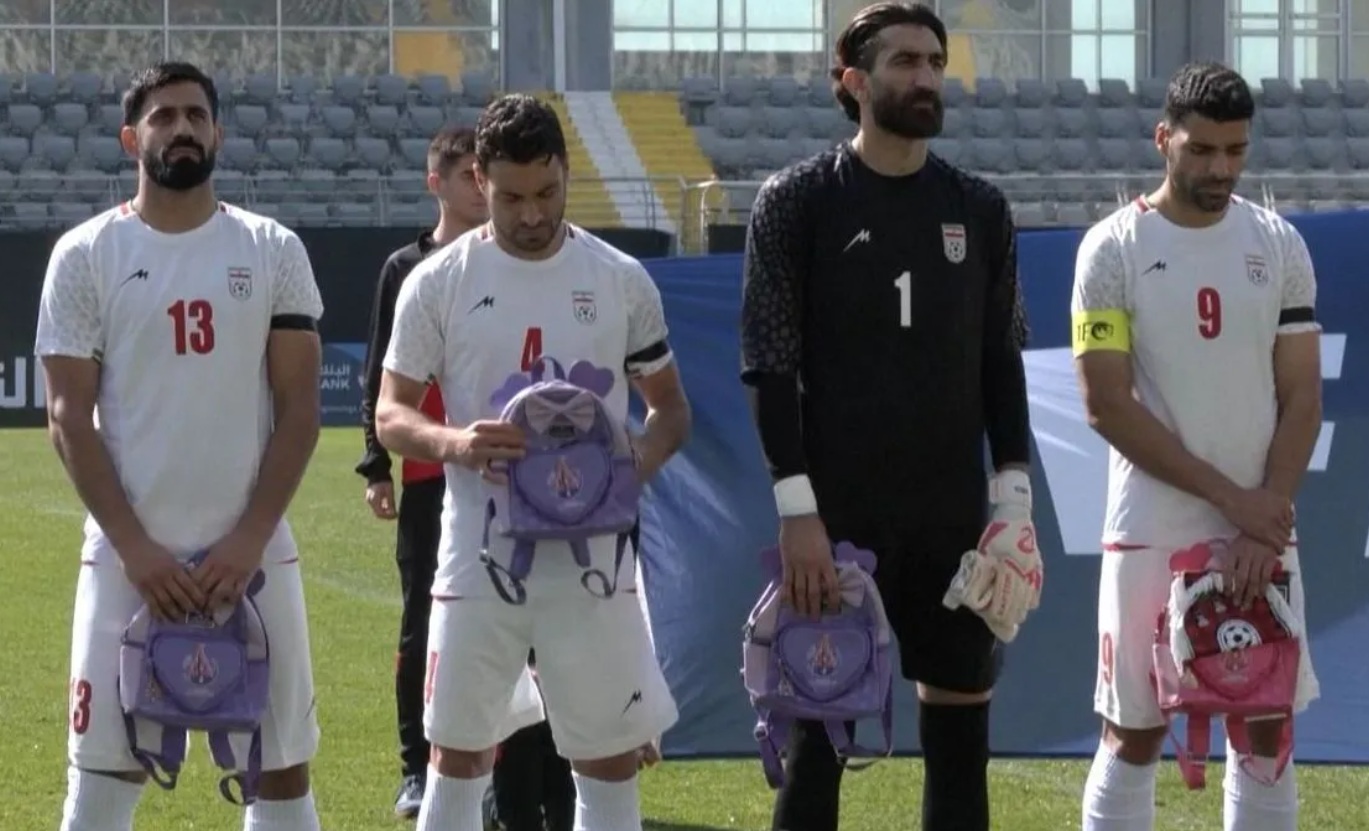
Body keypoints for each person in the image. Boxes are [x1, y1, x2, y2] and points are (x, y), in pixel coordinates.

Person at [738, 4, 1043, 830]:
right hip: (837, 524)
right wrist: (797, 511)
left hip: (952, 525)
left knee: (958, 756)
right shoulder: (796, 201)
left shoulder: (980, 208)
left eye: (935, 62)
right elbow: (769, 365)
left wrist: (1011, 502)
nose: (925, 77)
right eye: (905, 61)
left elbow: (999, 362)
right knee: (815, 752)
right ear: (852, 80)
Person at [375, 93, 691, 831]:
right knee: (455, 754)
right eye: (511, 196)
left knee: (607, 760)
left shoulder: (617, 278)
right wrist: (454, 443)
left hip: (594, 566)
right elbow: (390, 413)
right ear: (477, 179)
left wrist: (625, 471)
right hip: (477, 559)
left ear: (566, 173)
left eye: (546, 192)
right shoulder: (438, 280)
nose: (530, 213)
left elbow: (670, 409)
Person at [35, 62, 325, 831]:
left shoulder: (272, 248)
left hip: (254, 554)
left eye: (197, 114)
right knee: (101, 771)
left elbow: (299, 409)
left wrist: (249, 538)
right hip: (129, 558)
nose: (183, 128)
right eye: (164, 116)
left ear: (218, 133)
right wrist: (137, 548)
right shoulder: (84, 253)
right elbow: (67, 414)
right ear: (133, 137)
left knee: (283, 770)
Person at [1073, 62, 1322, 831]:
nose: (1219, 168)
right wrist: (1236, 506)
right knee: (1134, 732)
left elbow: (1303, 397)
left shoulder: (1277, 244)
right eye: (1202, 149)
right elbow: (1105, 404)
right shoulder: (1109, 249)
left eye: (1234, 150)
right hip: (1152, 526)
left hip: (1260, 524)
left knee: (1265, 727)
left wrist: (1261, 515)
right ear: (1162, 140)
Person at [355, 125, 492, 819]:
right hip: (428, 471)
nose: (479, 184)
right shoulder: (404, 268)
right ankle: (417, 767)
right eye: (466, 173)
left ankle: (503, 767)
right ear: (435, 181)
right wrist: (375, 463)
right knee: (421, 622)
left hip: (503, 475)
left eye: (483, 172)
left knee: (507, 621)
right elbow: (381, 370)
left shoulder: (509, 261)